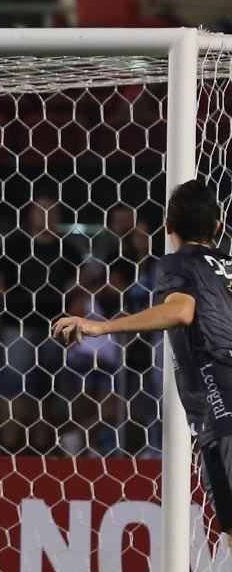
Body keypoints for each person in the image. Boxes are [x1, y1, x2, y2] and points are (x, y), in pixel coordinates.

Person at [52, 182, 232, 535]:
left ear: (167, 226)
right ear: (216, 226)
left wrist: (102, 328)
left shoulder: (178, 263)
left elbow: (180, 311)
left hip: (223, 410)